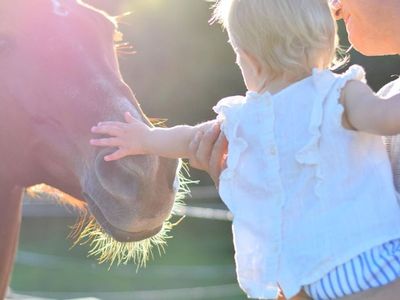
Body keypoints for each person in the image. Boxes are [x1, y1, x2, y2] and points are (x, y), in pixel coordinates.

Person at [90, 0, 400, 299]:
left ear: (249, 60)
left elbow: (188, 138)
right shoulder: (340, 93)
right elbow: (388, 116)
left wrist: (143, 138)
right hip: (373, 258)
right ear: (327, 41)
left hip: (306, 276)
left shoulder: (243, 120)